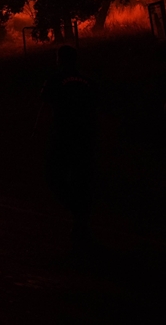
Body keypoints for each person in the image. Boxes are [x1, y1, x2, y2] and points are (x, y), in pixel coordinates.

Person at [41, 45, 99, 245]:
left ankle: (78, 214)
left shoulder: (55, 80)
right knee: (81, 179)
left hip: (63, 136)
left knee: (54, 177)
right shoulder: (89, 81)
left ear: (60, 60)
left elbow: (44, 103)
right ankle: (81, 219)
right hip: (85, 136)